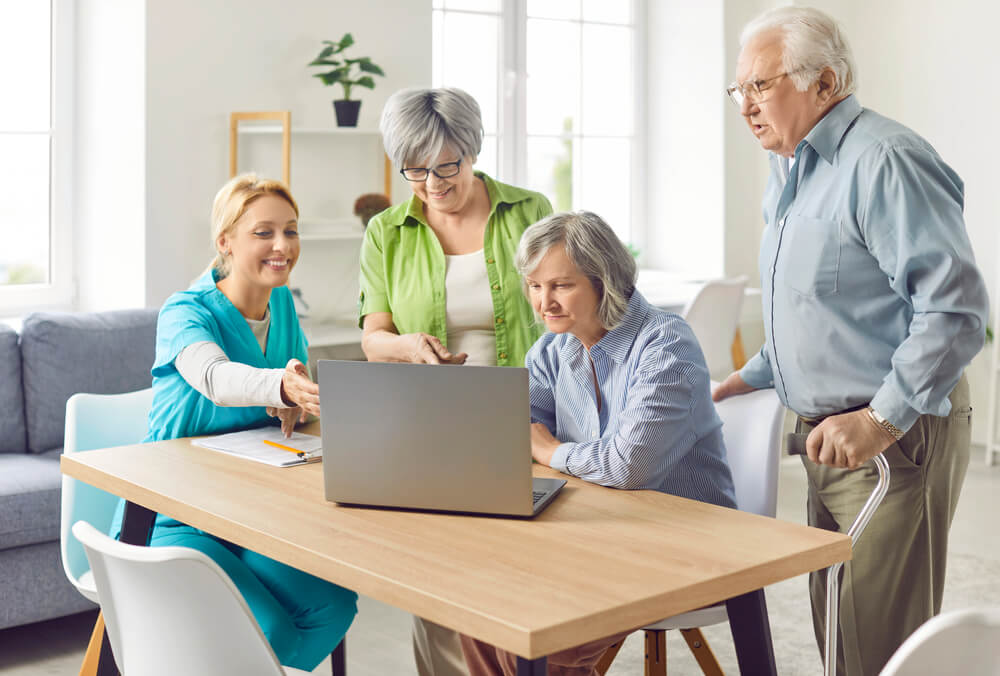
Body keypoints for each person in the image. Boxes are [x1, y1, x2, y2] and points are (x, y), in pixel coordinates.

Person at [714, 7, 989, 675]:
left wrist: (877, 420)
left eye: (761, 85)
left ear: (825, 82)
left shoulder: (885, 161)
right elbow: (819, 314)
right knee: (839, 629)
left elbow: (955, 312)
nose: (746, 106)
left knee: (877, 646)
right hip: (827, 438)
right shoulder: (790, 172)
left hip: (894, 436)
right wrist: (742, 380)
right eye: (739, 89)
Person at [459, 211, 736, 675]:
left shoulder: (666, 347)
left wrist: (551, 452)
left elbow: (629, 466)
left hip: (681, 541)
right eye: (534, 285)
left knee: (553, 638)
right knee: (482, 613)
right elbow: (516, 429)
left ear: (604, 281)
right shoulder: (552, 349)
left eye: (561, 286)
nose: (543, 302)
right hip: (594, 530)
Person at [109, 174, 358, 671]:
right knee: (268, 633)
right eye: (263, 232)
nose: (282, 246)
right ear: (225, 241)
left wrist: (296, 397)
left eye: (291, 230)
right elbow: (215, 377)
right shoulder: (184, 311)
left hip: (250, 514)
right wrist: (278, 387)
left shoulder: (282, 302)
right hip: (172, 514)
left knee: (333, 605)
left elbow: (294, 387)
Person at [358, 87, 553, 676]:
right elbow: (373, 337)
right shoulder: (386, 233)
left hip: (530, 414)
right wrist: (405, 346)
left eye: (448, 166)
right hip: (435, 423)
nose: (433, 183)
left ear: (473, 150)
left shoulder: (528, 211)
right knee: (437, 573)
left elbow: (567, 307)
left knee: (521, 567)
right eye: (415, 170)